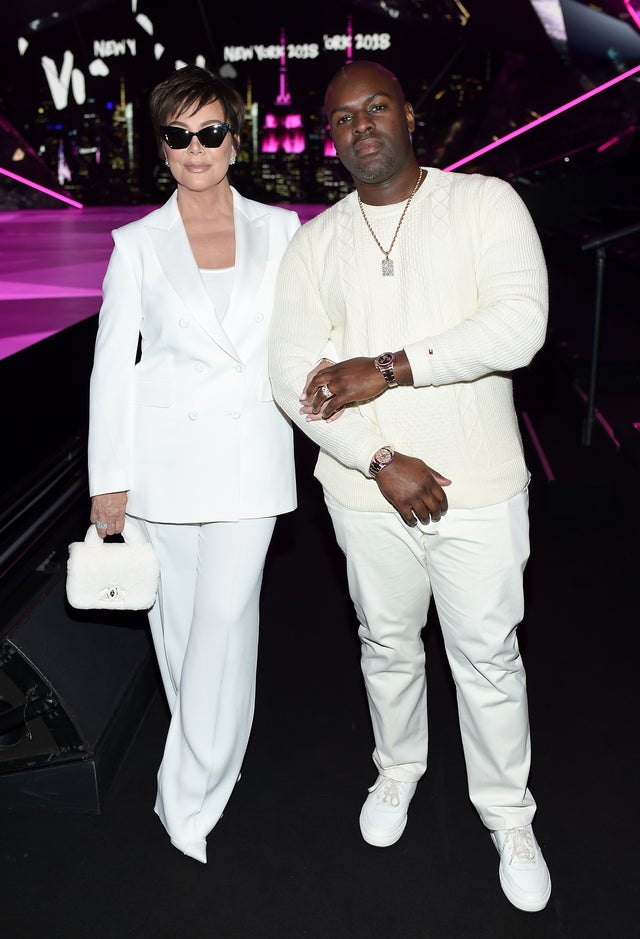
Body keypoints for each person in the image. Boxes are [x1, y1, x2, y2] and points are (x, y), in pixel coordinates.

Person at [268, 60, 552, 912]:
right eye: (343, 117)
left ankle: (508, 815)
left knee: (488, 657)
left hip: (481, 485)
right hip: (365, 494)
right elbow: (293, 376)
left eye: (376, 106)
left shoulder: (485, 203)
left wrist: (389, 369)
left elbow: (518, 327)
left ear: (409, 114)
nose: (362, 126)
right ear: (330, 138)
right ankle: (398, 770)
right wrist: (381, 460)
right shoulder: (315, 243)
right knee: (385, 644)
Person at [87, 64, 300, 864]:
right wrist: (109, 477)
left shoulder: (282, 231)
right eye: (178, 135)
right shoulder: (136, 244)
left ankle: (187, 789)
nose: (196, 147)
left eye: (210, 131)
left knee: (221, 621)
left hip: (250, 458)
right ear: (163, 150)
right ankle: (213, 760)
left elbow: (304, 338)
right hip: (161, 468)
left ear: (235, 140)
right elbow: (113, 365)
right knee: (179, 632)